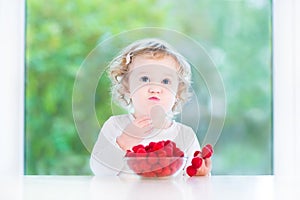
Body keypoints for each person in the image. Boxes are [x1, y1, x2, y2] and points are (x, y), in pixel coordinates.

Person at [90, 38, 211, 176]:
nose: (155, 88)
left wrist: (200, 174)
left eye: (165, 81)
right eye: (145, 79)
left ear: (177, 92)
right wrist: (123, 143)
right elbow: (99, 171)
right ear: (127, 86)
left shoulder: (185, 136)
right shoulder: (115, 126)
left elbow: (194, 187)